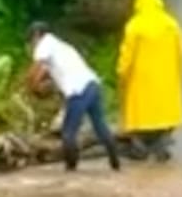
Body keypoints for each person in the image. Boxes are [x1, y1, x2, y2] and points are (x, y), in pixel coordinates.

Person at [25, 22, 121, 172]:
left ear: (37, 36)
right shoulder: (62, 47)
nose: (32, 44)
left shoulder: (44, 44)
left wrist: (30, 86)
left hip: (78, 91)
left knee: (68, 133)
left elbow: (36, 69)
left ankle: (71, 169)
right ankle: (115, 163)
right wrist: (40, 84)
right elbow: (45, 71)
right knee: (100, 127)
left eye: (31, 40)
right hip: (92, 85)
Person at [117, 0, 182, 161]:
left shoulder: (134, 26)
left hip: (141, 81)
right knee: (164, 116)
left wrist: (122, 73)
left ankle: (140, 147)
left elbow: (127, 55)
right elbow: (181, 52)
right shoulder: (172, 24)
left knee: (140, 117)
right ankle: (162, 144)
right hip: (166, 81)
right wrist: (177, 74)